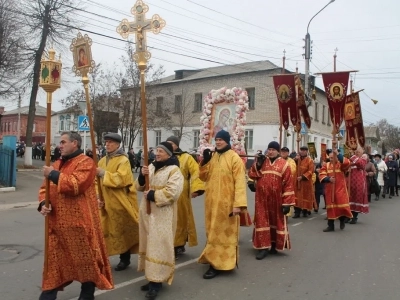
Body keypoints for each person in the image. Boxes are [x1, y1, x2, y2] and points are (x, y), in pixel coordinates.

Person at [37, 131, 113, 300]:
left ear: (75, 143)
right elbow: (45, 189)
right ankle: (47, 296)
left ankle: (87, 295)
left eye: (63, 142)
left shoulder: (86, 163)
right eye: (60, 142)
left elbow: (76, 185)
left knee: (86, 264)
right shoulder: (56, 164)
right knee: (54, 265)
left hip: (79, 226)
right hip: (56, 226)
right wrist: (44, 203)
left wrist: (53, 174)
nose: (60, 145)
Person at [136, 142, 184, 300]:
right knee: (148, 245)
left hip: (162, 214)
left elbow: (173, 193)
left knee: (159, 246)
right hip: (147, 213)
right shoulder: (150, 166)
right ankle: (150, 277)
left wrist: (153, 195)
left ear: (169, 154)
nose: (157, 153)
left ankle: (156, 282)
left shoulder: (174, 170)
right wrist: (142, 177)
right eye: (156, 150)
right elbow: (139, 187)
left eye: (161, 151)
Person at [198, 130, 247, 279]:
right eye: (216, 139)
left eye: (221, 140)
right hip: (211, 203)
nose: (218, 142)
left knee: (223, 235)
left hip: (227, 205)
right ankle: (212, 258)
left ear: (227, 141)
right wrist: (204, 162)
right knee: (211, 232)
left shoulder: (234, 159)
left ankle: (218, 264)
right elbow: (204, 177)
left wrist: (238, 205)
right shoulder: (213, 157)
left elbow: (240, 183)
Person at [96, 133, 140, 271]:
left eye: (110, 142)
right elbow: (95, 182)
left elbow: (123, 179)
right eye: (106, 142)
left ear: (117, 144)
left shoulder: (123, 160)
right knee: (104, 230)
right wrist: (97, 197)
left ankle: (124, 258)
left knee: (121, 230)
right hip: (104, 201)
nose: (107, 144)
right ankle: (102, 257)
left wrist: (104, 174)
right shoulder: (102, 160)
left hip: (119, 201)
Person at [248, 141, 295, 260]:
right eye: (269, 149)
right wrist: (257, 165)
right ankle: (263, 248)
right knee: (262, 221)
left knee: (276, 221)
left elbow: (289, 184)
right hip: (262, 199)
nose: (270, 151)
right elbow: (252, 174)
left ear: (278, 151)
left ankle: (274, 245)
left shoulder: (284, 164)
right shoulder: (262, 161)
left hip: (277, 199)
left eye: (273, 149)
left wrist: (287, 203)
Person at [166, 136, 204, 259]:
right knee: (167, 219)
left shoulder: (186, 157)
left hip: (181, 193)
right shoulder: (164, 156)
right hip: (165, 193)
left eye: (172, 143)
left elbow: (195, 172)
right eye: (168, 143)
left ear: (177, 145)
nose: (170, 145)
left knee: (180, 219)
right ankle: (168, 244)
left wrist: (196, 189)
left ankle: (178, 245)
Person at [319, 149, 353, 232]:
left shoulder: (340, 165)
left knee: (340, 206)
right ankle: (330, 225)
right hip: (330, 189)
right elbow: (321, 174)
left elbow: (347, 163)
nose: (331, 159)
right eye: (330, 158)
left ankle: (342, 221)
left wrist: (338, 153)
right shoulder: (326, 165)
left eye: (333, 157)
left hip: (340, 189)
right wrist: (328, 179)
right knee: (330, 207)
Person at [348, 147, 369, 224]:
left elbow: (360, 164)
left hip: (358, 183)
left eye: (359, 152)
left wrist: (353, 156)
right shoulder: (351, 159)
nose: (357, 152)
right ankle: (348, 216)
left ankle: (354, 217)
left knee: (356, 199)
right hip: (350, 182)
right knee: (349, 199)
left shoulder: (363, 160)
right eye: (356, 151)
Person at [293, 146, 314, 218]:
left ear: (307, 151)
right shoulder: (297, 159)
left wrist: (302, 177)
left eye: (304, 150)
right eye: (301, 150)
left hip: (305, 182)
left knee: (305, 196)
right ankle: (297, 212)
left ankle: (305, 211)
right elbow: (292, 166)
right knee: (297, 197)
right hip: (297, 181)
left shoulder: (309, 160)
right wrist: (296, 159)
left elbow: (311, 171)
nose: (302, 151)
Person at [280, 146, 296, 216]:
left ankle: (286, 214)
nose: (283, 153)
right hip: (278, 183)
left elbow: (292, 170)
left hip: (286, 183)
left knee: (286, 198)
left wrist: (283, 170)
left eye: (285, 152)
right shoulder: (278, 159)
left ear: (288, 153)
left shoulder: (291, 161)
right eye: (282, 152)